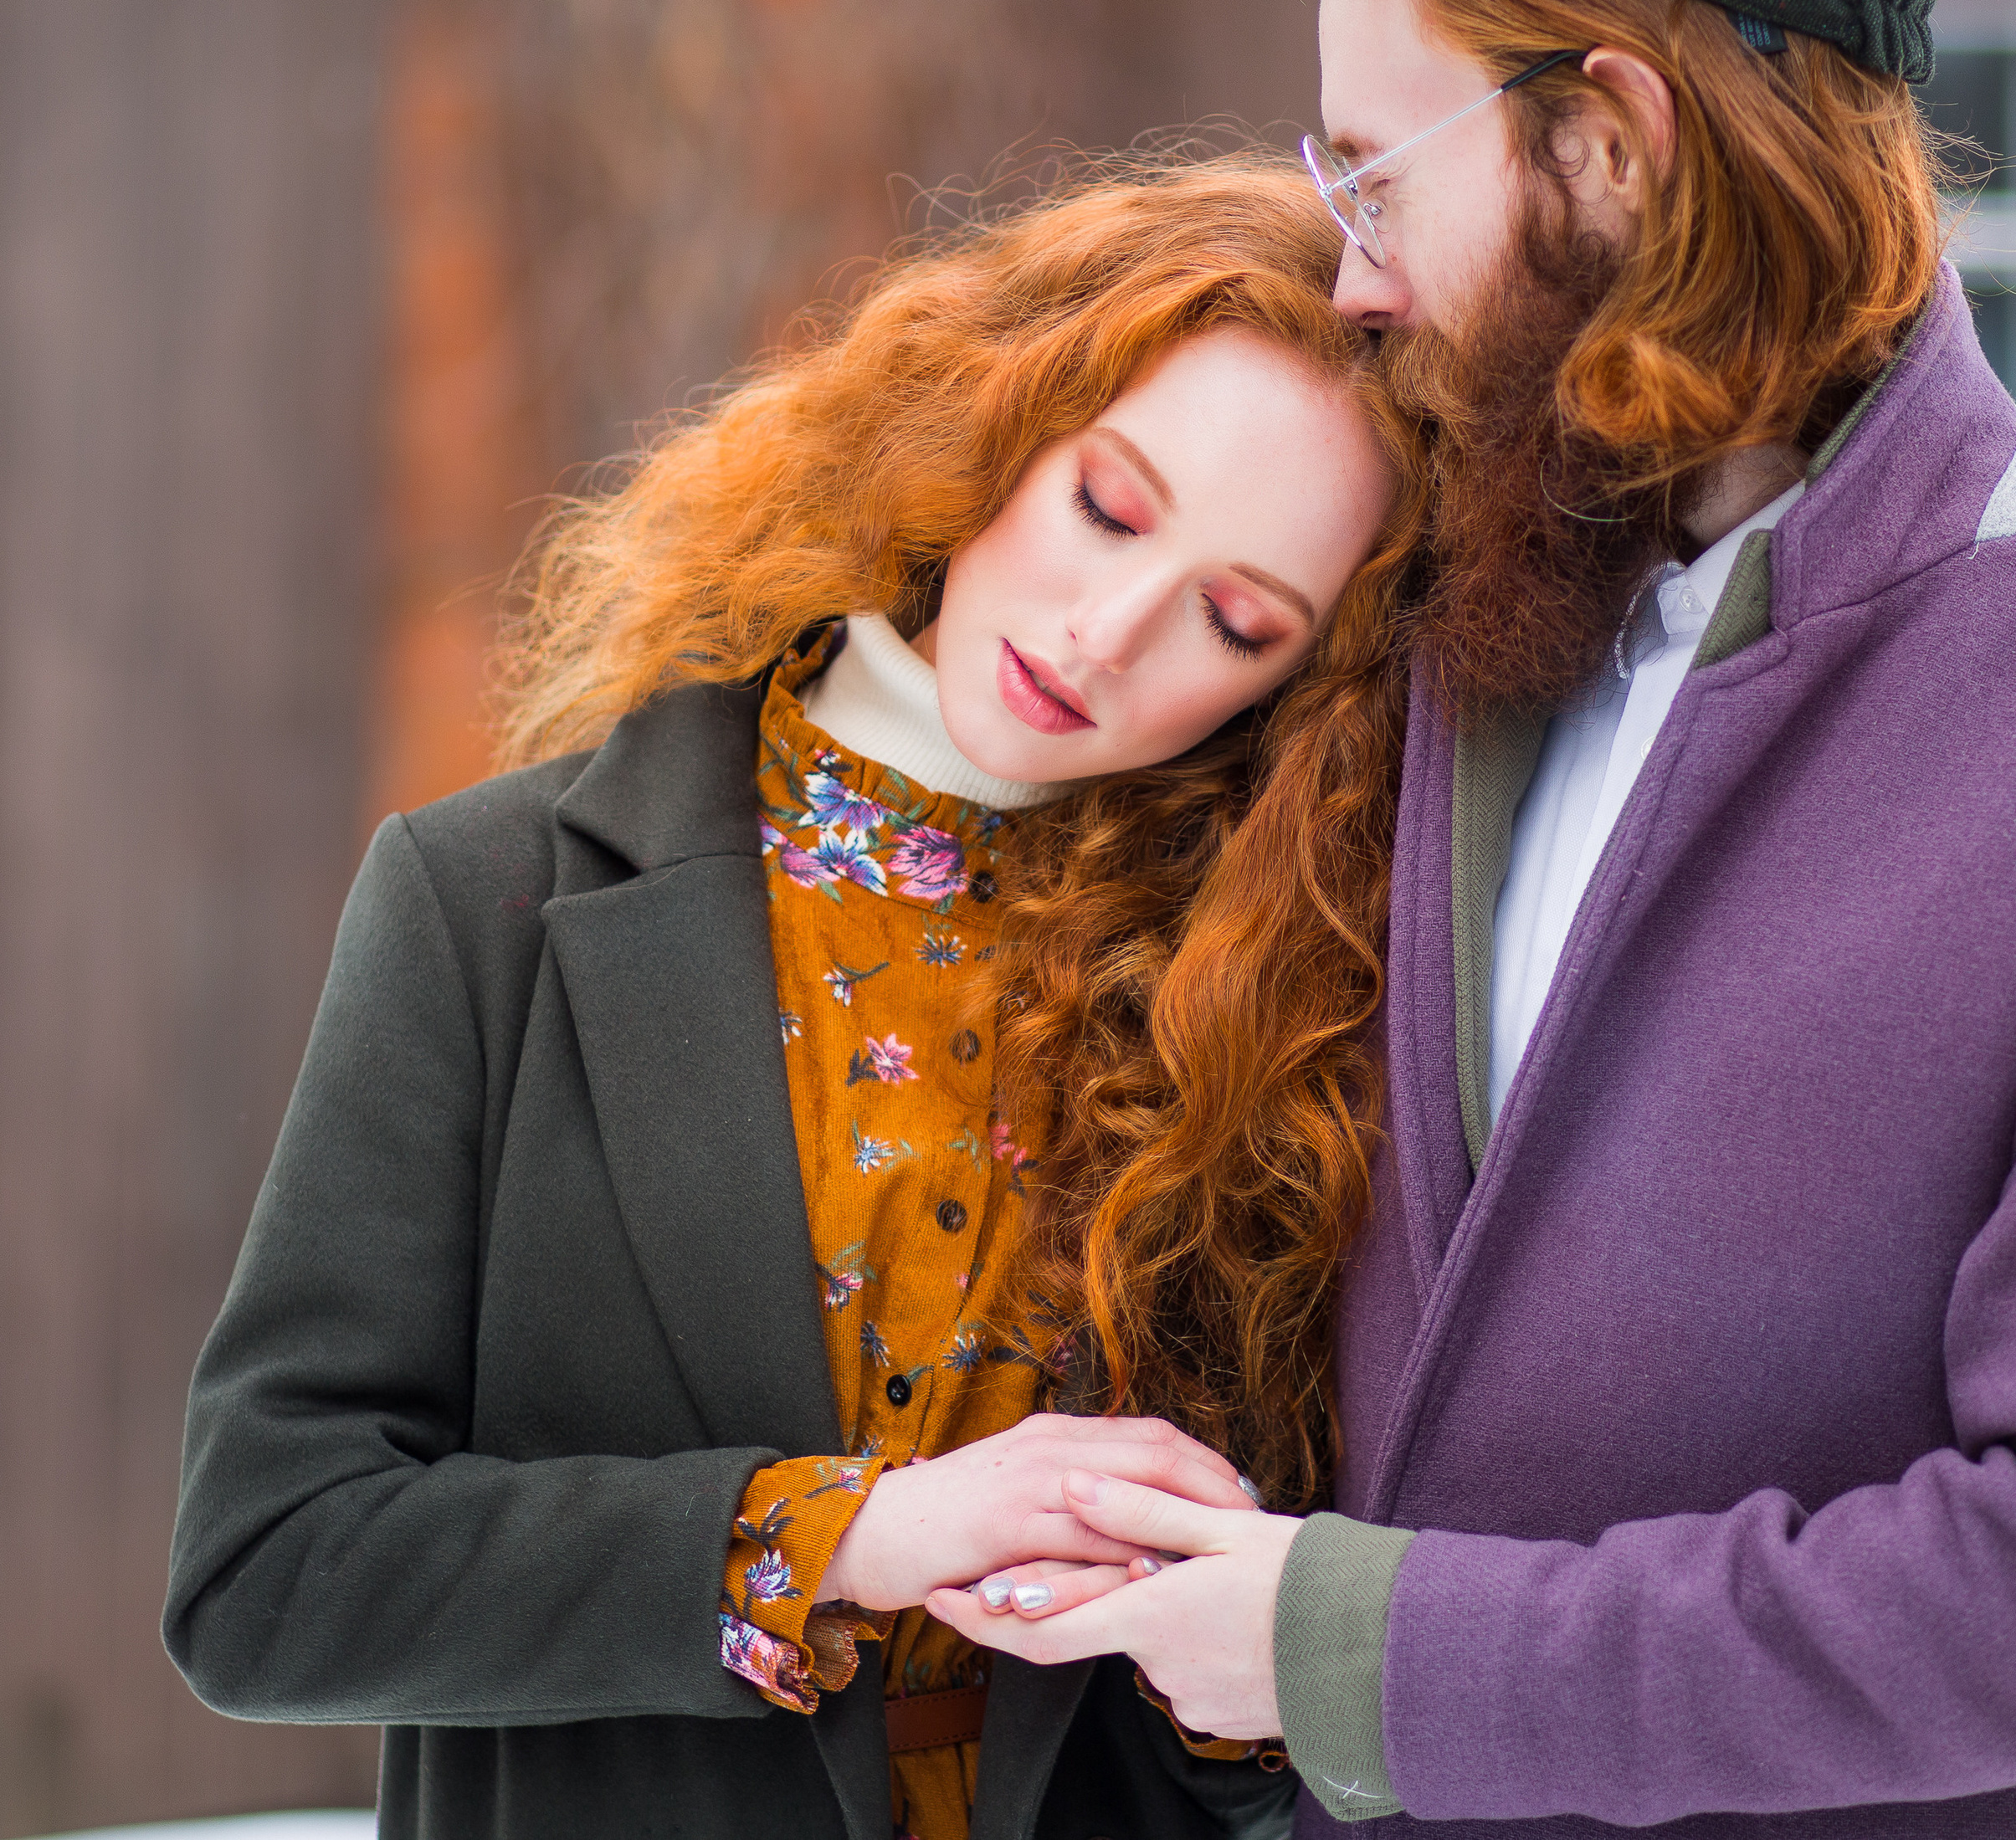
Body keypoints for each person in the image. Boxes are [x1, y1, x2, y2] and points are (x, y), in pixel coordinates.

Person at [932, 0, 2016, 1834]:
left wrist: (1370, 1655)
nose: (1347, 270)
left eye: (1376, 172)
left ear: (1609, 146)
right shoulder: (1409, 576)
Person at [162, 156, 1426, 1840]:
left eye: (1232, 616)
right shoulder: (489, 904)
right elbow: (267, 1567)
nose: (1111, 629)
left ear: (1296, 687)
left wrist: (1241, 1683)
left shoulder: (1260, 1006)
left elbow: (1256, 1717)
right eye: (1108, 507)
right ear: (994, 417)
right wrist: (850, 1536)